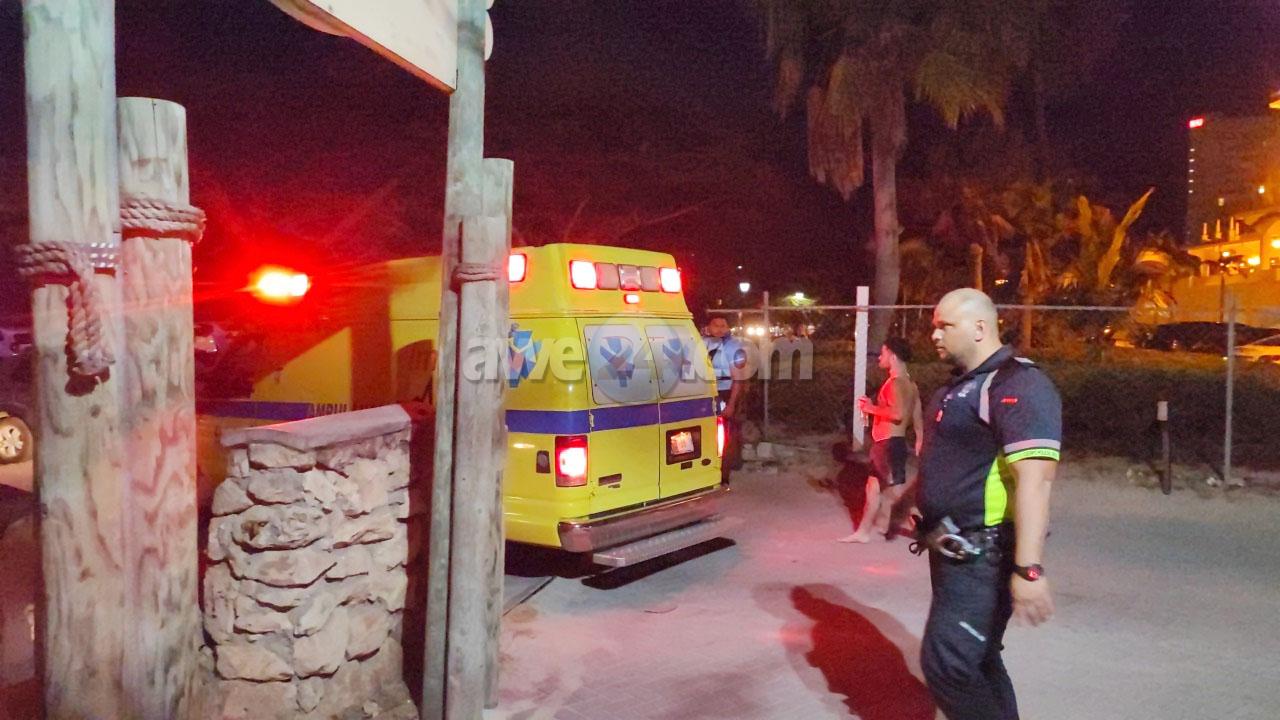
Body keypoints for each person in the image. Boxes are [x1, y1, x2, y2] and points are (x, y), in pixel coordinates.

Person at [915, 288, 1060, 720]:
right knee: (978, 659)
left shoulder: (1018, 384)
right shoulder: (957, 387)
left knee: (948, 665)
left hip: (983, 556)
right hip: (952, 553)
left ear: (980, 328)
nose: (934, 335)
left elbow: (1036, 481)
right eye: (934, 327)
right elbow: (950, 460)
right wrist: (907, 498)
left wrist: (1029, 570)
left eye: (945, 326)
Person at [838, 337, 922, 543]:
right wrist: (920, 439)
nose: (879, 358)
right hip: (896, 443)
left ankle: (924, 526)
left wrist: (870, 408)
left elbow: (898, 414)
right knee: (876, 489)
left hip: (886, 444)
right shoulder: (911, 385)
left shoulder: (894, 383)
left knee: (894, 492)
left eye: (883, 353)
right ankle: (866, 531)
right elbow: (917, 416)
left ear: (892, 356)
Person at [703, 316, 747, 483]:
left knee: (726, 436)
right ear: (708, 327)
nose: (720, 329)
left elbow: (738, 379)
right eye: (716, 325)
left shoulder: (733, 347)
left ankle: (723, 474)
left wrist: (731, 404)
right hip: (706, 393)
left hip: (726, 392)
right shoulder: (702, 343)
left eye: (723, 325)